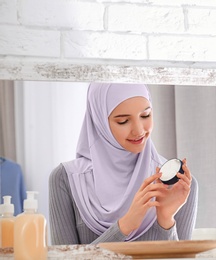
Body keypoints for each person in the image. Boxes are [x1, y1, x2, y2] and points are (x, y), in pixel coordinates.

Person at [49, 83, 198, 245]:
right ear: (99, 123)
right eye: (123, 121)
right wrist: (124, 226)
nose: (139, 131)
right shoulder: (66, 179)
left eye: (145, 115)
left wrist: (166, 220)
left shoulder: (178, 184)